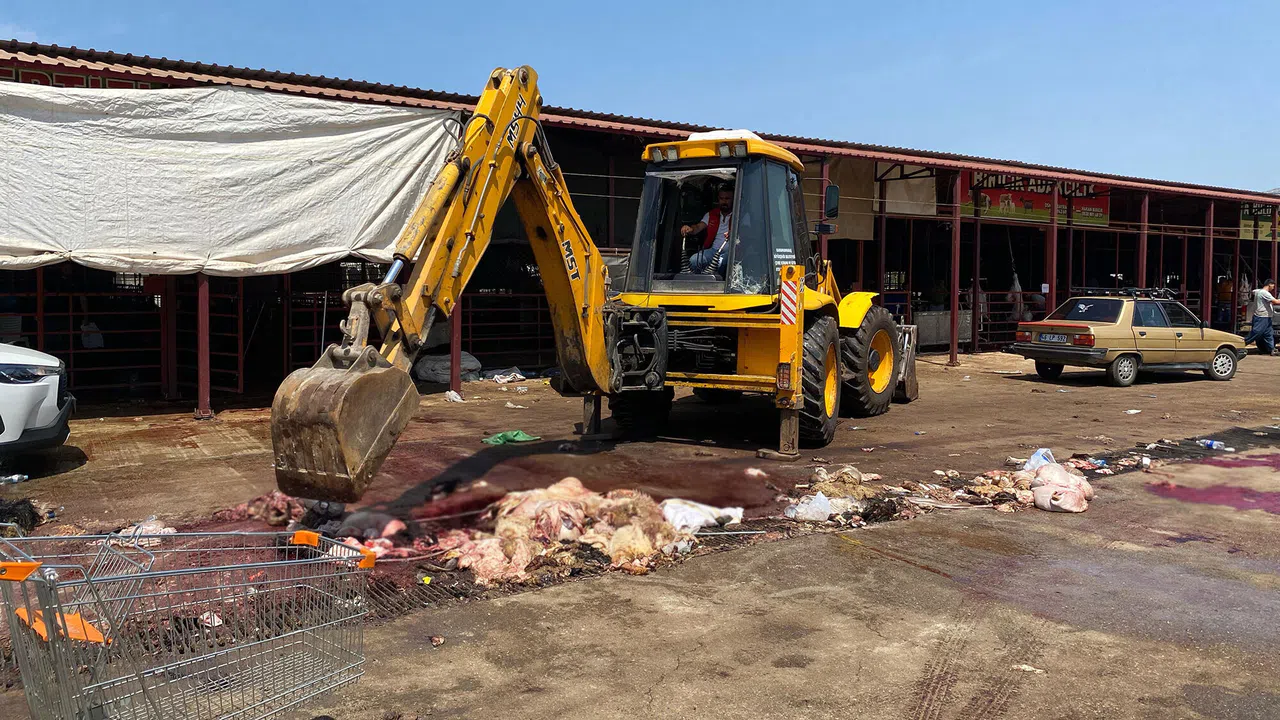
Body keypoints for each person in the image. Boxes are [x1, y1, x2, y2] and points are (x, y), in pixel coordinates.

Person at [681, 184, 734, 275]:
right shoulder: (711, 214)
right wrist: (689, 229)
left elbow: (746, 232)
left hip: (732, 252)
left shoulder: (741, 214)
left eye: (727, 199)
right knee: (694, 260)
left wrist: (734, 233)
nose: (724, 201)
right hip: (714, 250)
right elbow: (698, 227)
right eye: (721, 198)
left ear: (734, 199)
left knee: (720, 263)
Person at [1243, 279, 1280, 355]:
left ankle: (1272, 349)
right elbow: (1276, 302)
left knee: (1269, 334)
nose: (1273, 287)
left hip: (1266, 317)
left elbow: (1253, 291)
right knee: (1256, 332)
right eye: (1273, 285)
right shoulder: (1265, 293)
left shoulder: (1258, 291)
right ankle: (1242, 343)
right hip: (1262, 317)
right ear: (1269, 284)